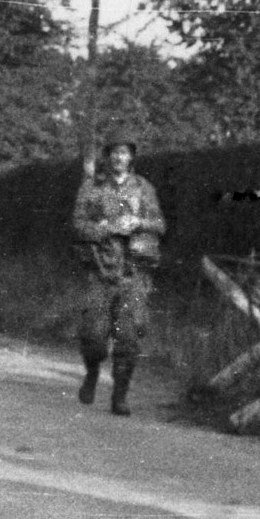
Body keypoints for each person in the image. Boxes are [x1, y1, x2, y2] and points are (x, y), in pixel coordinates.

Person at [70, 131, 165, 416]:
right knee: (93, 336)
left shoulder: (143, 188)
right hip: (100, 270)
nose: (119, 158)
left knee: (129, 338)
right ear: (108, 156)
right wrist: (107, 229)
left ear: (131, 156)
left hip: (134, 273)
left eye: (125, 153)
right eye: (115, 152)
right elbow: (77, 224)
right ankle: (92, 372)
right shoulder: (93, 187)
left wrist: (139, 222)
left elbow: (160, 225)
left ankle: (119, 396)